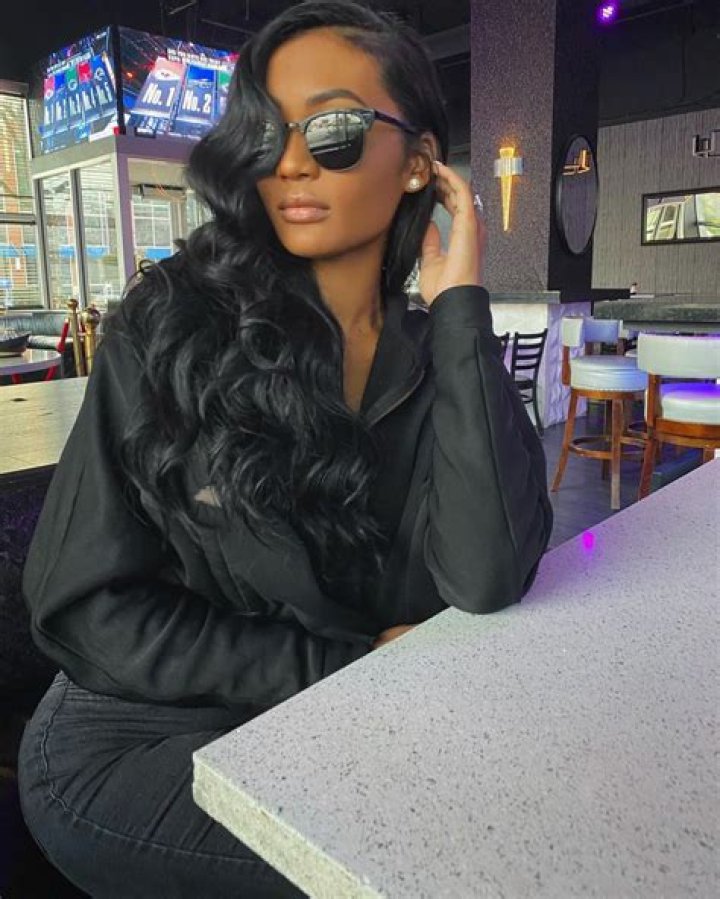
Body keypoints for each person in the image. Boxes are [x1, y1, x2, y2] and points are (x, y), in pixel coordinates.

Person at [18, 1, 553, 896]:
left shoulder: (435, 357)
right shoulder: (173, 328)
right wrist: (346, 669)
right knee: (441, 863)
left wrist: (461, 308)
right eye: (267, 132)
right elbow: (83, 606)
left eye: (334, 128)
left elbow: (486, 577)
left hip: (325, 718)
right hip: (135, 733)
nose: (292, 160)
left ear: (419, 162)